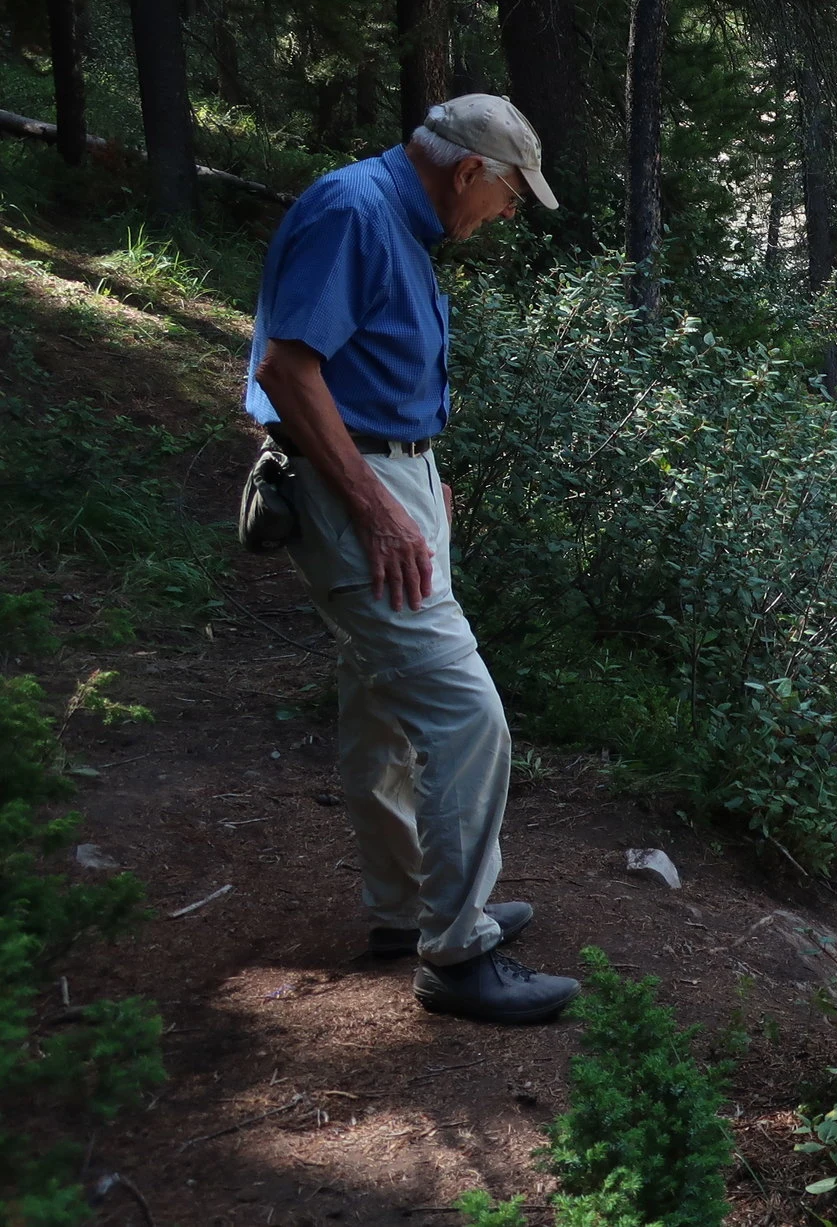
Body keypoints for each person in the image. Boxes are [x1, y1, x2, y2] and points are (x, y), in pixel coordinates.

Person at [243, 94, 578, 1024]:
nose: (505, 215)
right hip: (356, 495)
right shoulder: (354, 211)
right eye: (509, 196)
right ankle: (457, 950)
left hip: (393, 478)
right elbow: (286, 370)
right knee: (466, 715)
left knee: (381, 706)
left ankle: (406, 906)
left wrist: (420, 475)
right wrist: (378, 505)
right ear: (469, 171)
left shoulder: (394, 218)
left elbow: (362, 367)